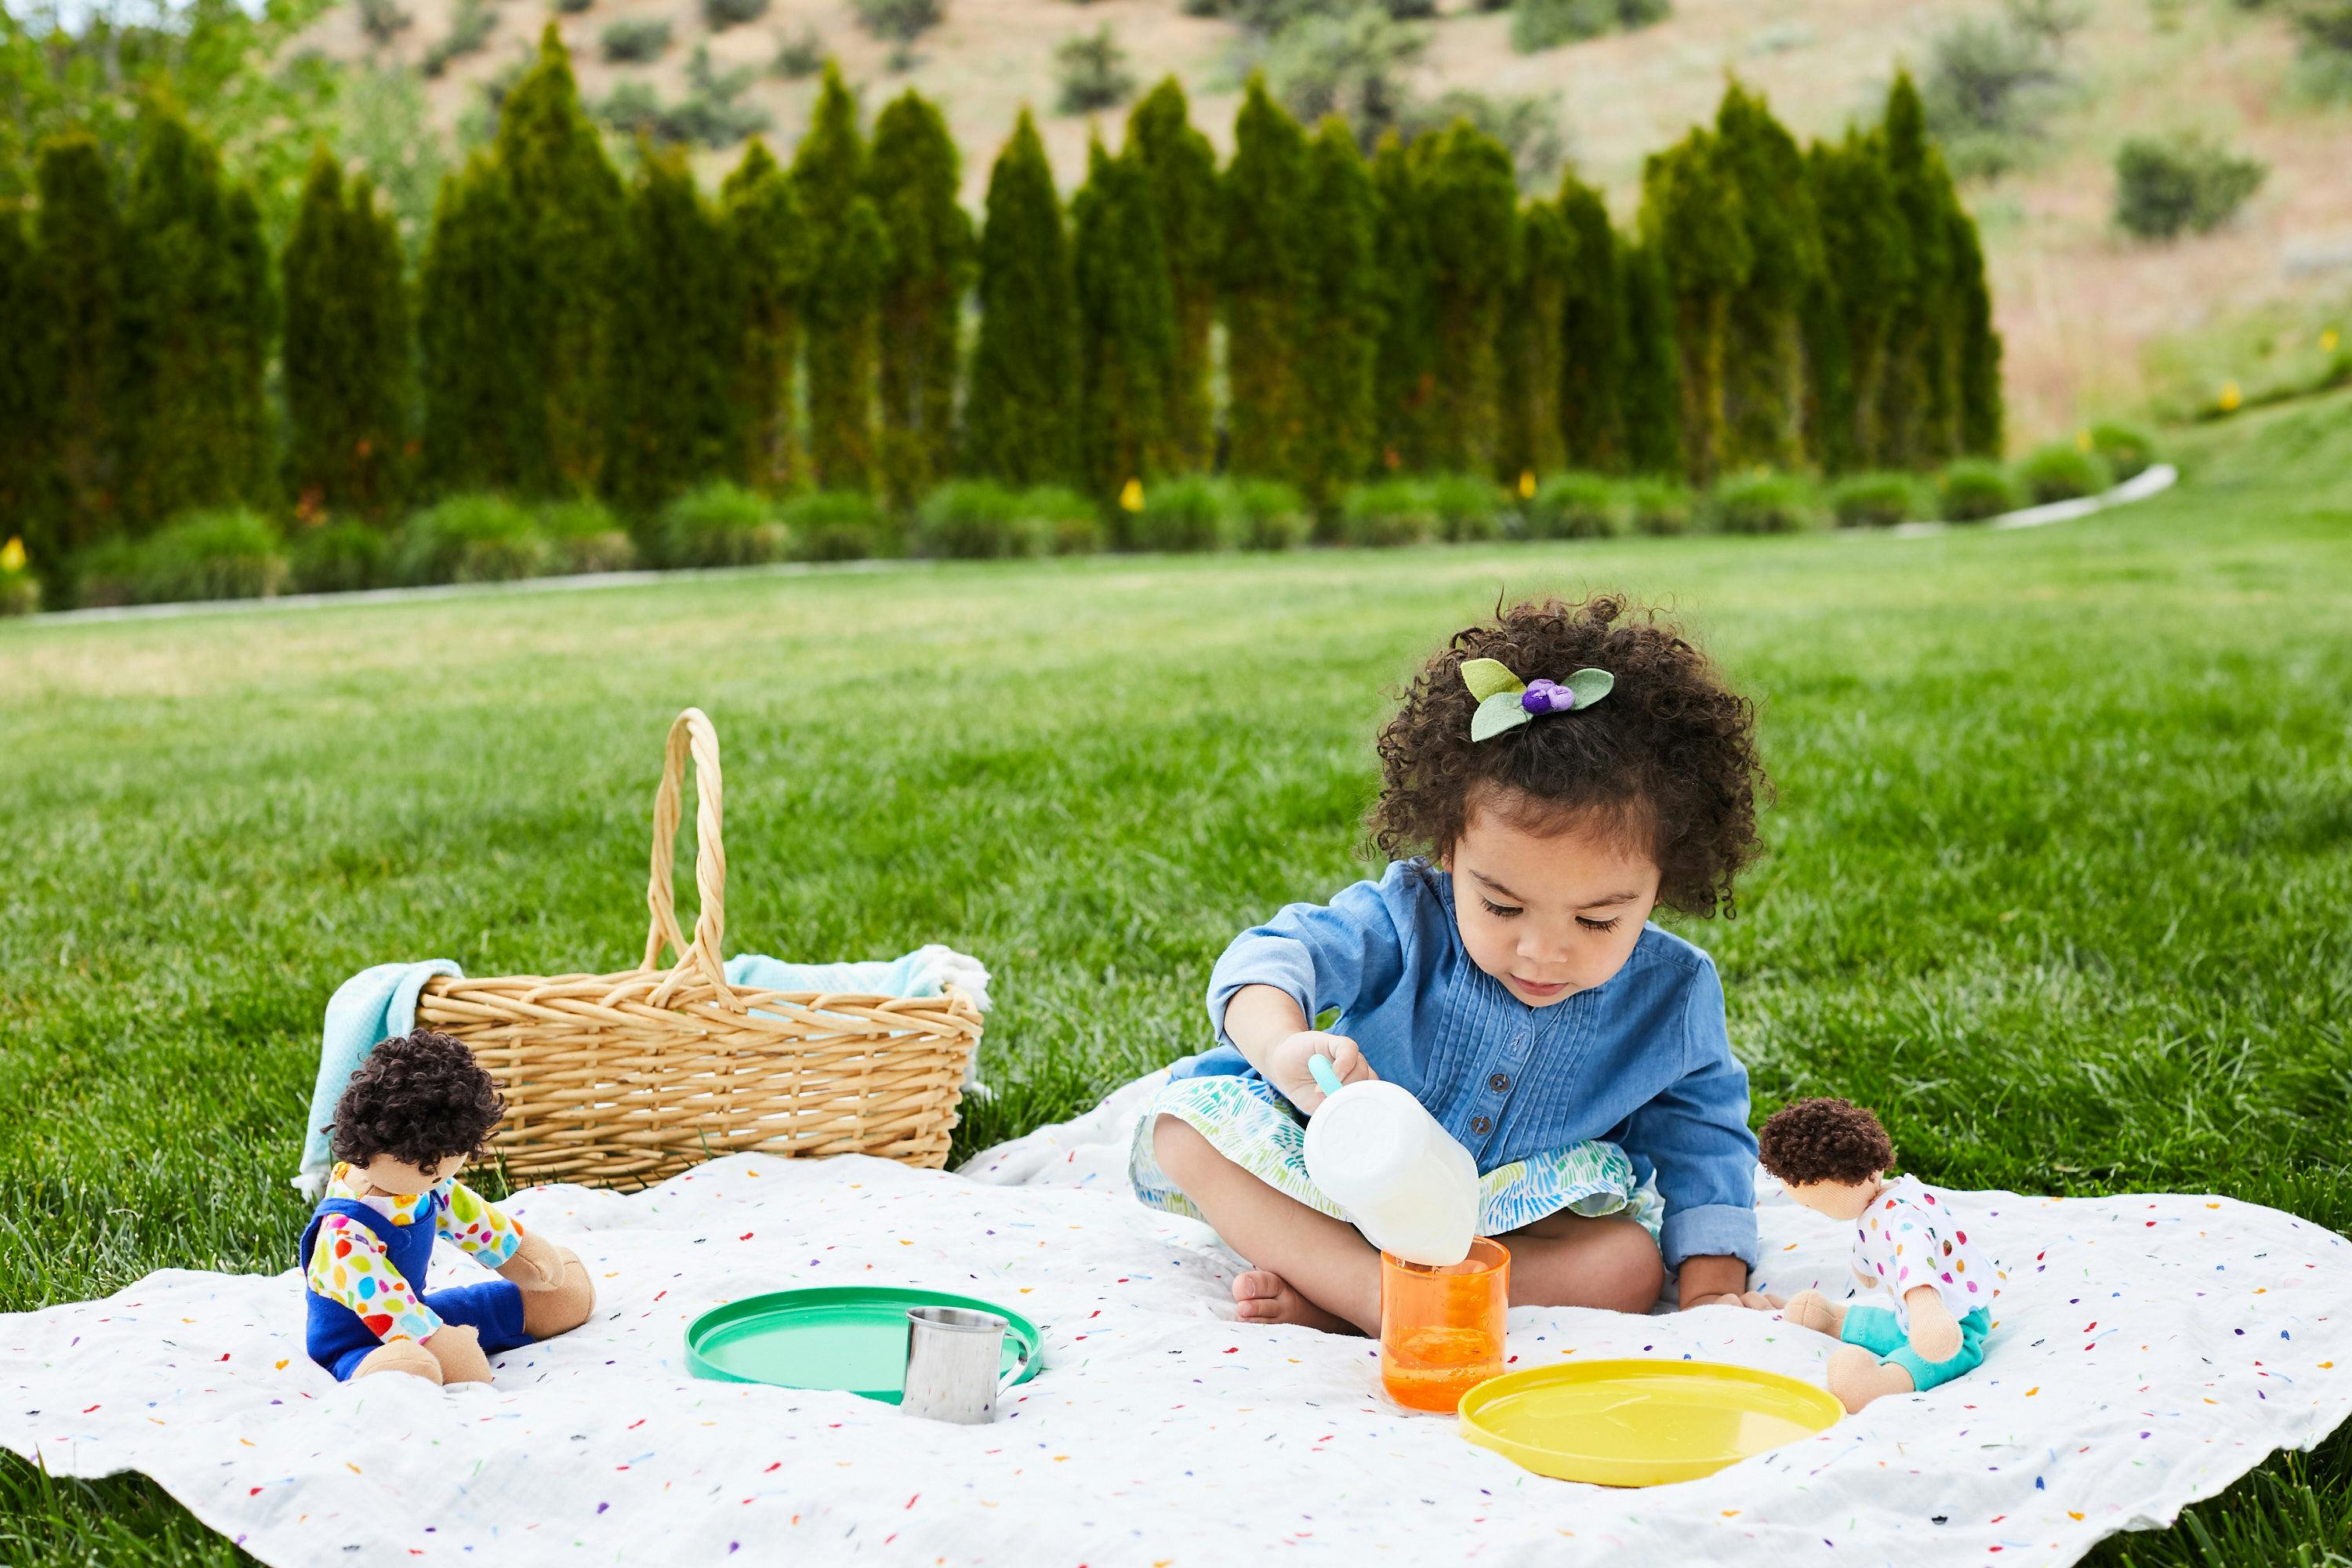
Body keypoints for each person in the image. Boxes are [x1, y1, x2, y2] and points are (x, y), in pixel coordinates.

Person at [1131, 593, 1775, 1333]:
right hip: (1343, 1182)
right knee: (1183, 1127)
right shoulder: (1405, 918)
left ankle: (1350, 1300)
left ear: (1664, 881)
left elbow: (1707, 1147)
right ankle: (1371, 1295)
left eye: (1597, 920)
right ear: (1448, 851)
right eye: (1502, 907)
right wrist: (1281, 1046)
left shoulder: (1676, 994)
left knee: (1629, 1264)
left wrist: (1712, 1297)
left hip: (1503, 1229)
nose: (1542, 951)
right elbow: (1274, 956)